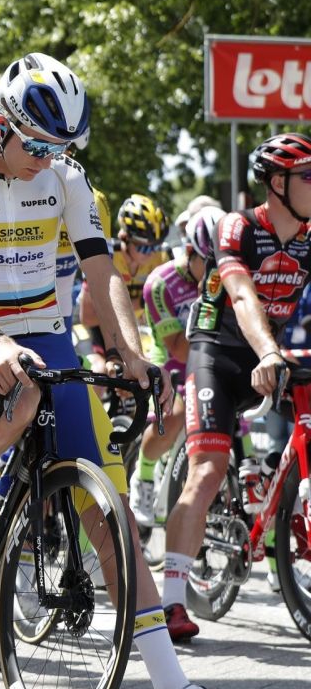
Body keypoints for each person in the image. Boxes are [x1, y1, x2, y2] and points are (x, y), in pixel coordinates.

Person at [0, 51, 247, 689]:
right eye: (37, 146)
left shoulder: (65, 175)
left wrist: (131, 352)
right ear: (2, 126)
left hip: (50, 339)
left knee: (110, 513)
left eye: (59, 148)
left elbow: (103, 274)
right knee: (21, 396)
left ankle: (171, 687)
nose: (48, 160)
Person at [162, 132, 311, 643]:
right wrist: (267, 351)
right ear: (278, 183)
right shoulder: (238, 226)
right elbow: (243, 295)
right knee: (208, 470)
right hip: (219, 354)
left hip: (273, 354)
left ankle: (274, 493)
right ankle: (172, 600)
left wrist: (273, 353)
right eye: (308, 176)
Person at [128, 204, 223, 528]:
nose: (214, 272)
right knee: (176, 412)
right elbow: (178, 349)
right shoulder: (160, 282)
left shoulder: (219, 276)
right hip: (166, 355)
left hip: (203, 351)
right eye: (207, 263)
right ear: (189, 251)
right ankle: (143, 474)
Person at [79, 193, 169, 372]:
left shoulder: (162, 257)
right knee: (100, 371)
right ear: (124, 237)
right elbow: (88, 318)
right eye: (144, 248)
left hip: (135, 330)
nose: (152, 253)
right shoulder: (106, 257)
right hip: (100, 330)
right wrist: (139, 303)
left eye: (156, 246)